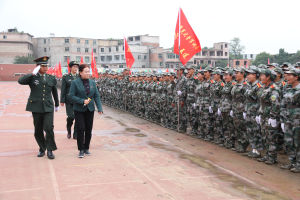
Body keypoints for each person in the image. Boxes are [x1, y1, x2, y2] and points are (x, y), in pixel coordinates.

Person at [18, 56, 59, 159]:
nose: (46, 68)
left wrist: (57, 104)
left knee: (49, 128)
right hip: (36, 107)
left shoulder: (51, 77)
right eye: (43, 66)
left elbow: (54, 91)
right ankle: (42, 148)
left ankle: (50, 150)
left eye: (46, 66)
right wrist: (32, 73)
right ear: (38, 67)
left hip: (48, 106)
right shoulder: (33, 77)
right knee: (38, 130)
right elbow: (20, 81)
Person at [69, 64, 103, 158]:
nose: (88, 73)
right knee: (81, 128)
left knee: (88, 129)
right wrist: (82, 101)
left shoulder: (92, 82)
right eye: (86, 71)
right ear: (80, 73)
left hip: (90, 109)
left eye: (89, 71)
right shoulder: (75, 83)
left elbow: (96, 95)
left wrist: (99, 108)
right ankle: (80, 149)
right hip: (79, 109)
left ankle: (86, 148)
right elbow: (71, 96)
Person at [60, 61, 79, 139]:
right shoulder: (66, 77)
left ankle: (75, 133)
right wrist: (62, 100)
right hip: (69, 100)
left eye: (76, 67)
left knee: (78, 118)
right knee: (71, 116)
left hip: (78, 100)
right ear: (70, 68)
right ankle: (69, 130)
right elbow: (63, 89)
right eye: (74, 67)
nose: (75, 68)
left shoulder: (79, 77)